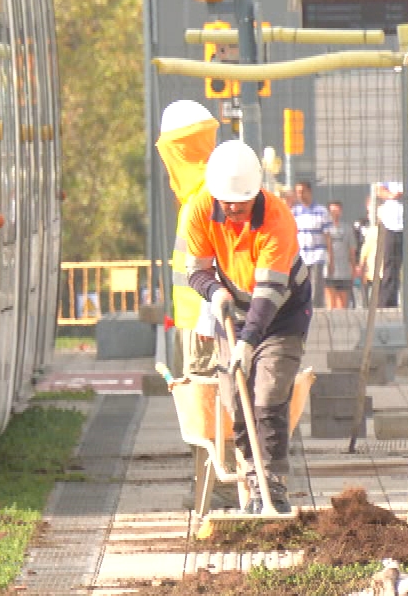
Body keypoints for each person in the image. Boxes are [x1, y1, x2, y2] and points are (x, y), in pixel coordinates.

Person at [182, 139, 312, 515]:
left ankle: (274, 487)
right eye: (228, 203)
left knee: (268, 395)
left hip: (283, 312)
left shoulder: (277, 219)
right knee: (236, 402)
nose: (235, 209)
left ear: (256, 192)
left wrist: (248, 342)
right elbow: (197, 270)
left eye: (243, 202)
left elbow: (270, 292)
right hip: (232, 315)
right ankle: (254, 484)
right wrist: (214, 291)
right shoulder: (201, 209)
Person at [156, 100, 223, 377]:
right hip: (192, 323)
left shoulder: (206, 198)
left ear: (179, 151)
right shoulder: (198, 195)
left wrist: (207, 323)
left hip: (204, 327)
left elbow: (217, 265)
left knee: (205, 409)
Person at [291, 181, 330, 309]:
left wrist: (331, 257)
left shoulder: (321, 211)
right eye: (298, 192)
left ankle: (317, 309)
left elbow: (327, 236)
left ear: (309, 191)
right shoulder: (294, 212)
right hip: (301, 255)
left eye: (303, 192)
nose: (300, 195)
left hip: (317, 255)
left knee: (316, 286)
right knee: (301, 286)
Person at [324, 202, 354, 310]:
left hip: (344, 271)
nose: (335, 213)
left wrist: (353, 268)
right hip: (328, 271)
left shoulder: (347, 229)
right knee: (330, 305)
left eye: (337, 211)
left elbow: (352, 250)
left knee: (342, 305)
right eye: (332, 211)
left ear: (341, 212)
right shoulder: (325, 229)